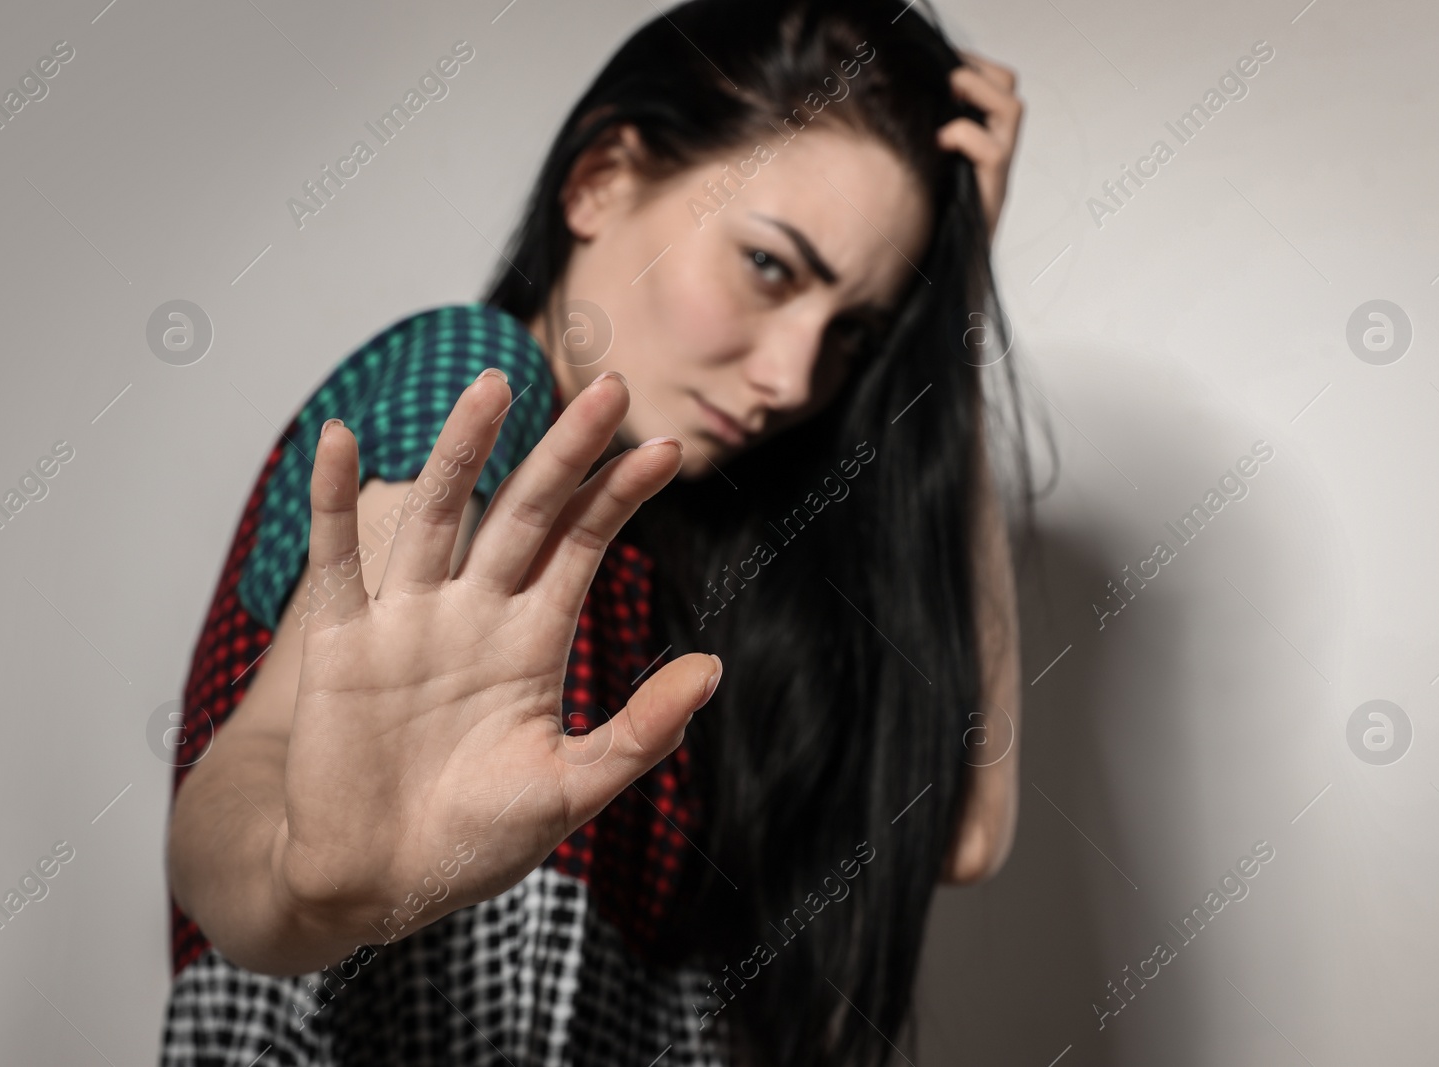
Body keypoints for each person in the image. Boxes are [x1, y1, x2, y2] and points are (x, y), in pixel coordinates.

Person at [161, 0, 1034, 1063]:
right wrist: (309, 879)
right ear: (600, 180)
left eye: (852, 332)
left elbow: (964, 832)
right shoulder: (469, 381)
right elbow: (239, 795)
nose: (793, 377)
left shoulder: (695, 548)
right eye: (768, 265)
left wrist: (953, 338)